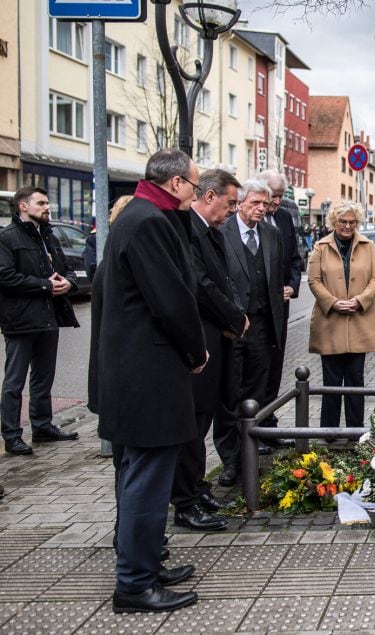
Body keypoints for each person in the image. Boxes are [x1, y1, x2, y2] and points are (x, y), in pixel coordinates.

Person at [92, 148, 206, 613]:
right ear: (176, 183)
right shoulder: (149, 223)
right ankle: (135, 583)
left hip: (135, 375)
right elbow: (171, 300)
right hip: (148, 377)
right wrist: (195, 350)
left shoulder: (137, 216)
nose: (196, 195)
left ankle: (144, 565)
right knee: (146, 479)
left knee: (142, 476)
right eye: (195, 187)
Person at [173, 169, 246, 532]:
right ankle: (185, 500)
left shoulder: (209, 232)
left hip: (215, 340)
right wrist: (235, 318)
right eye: (231, 202)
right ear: (210, 195)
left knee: (202, 420)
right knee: (191, 424)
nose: (234, 209)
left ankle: (196, 488)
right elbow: (201, 285)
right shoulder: (189, 230)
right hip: (200, 341)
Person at [216, 179, 288, 486]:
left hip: (263, 326)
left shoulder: (271, 234)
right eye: (255, 203)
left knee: (257, 393)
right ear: (240, 203)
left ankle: (250, 453)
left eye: (265, 203)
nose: (262, 208)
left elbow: (278, 276)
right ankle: (230, 461)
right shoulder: (222, 232)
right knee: (230, 396)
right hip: (232, 328)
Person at [0, 187, 80, 456]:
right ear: (23, 206)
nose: (48, 207)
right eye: (42, 203)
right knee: (14, 381)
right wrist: (44, 286)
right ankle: (11, 435)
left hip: (48, 317)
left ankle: (42, 426)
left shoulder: (49, 236)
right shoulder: (7, 238)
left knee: (43, 378)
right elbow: (5, 277)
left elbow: (65, 268)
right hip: (20, 319)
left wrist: (69, 281)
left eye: (48, 202)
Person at [307, 201, 375, 430]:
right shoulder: (321, 247)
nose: (347, 226)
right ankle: (329, 431)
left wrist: (360, 300)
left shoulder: (369, 247)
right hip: (330, 322)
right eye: (342, 222)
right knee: (331, 381)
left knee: (356, 380)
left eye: (352, 222)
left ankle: (356, 431)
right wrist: (333, 302)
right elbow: (314, 280)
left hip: (359, 321)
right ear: (333, 222)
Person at [259, 172, 303, 443]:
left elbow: (295, 259)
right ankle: (253, 433)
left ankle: (270, 424)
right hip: (255, 311)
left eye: (279, 196)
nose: (276, 202)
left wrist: (292, 285)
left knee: (275, 366)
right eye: (272, 196)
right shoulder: (241, 220)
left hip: (281, 307)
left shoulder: (284, 218)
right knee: (255, 371)